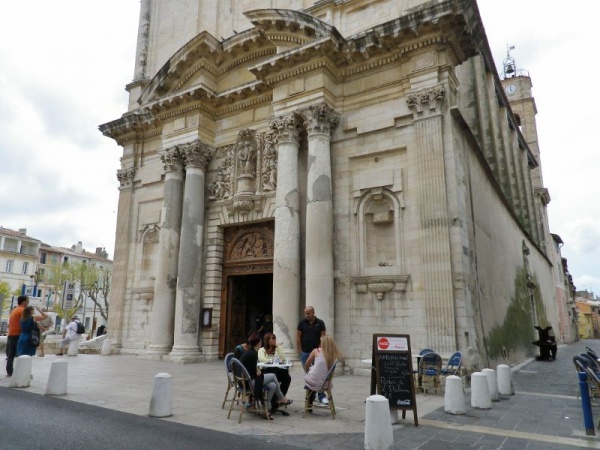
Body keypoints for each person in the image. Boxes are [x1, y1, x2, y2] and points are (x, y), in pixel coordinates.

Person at [239, 332, 292, 420]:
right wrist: (258, 372)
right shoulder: (253, 354)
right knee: (273, 376)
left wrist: (257, 372)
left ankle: (266, 408)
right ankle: (281, 398)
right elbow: (253, 372)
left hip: (247, 379)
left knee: (273, 385)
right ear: (258, 343)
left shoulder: (251, 352)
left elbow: (252, 369)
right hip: (248, 382)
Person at [296, 306, 328, 404]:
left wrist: (319, 351)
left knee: (319, 373)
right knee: (309, 374)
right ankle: (311, 396)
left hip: (316, 353)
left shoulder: (320, 323)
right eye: (305, 313)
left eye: (308, 313)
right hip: (305, 353)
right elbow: (298, 337)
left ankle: (321, 395)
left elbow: (323, 337)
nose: (307, 315)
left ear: (313, 312)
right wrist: (300, 352)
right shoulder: (302, 323)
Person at [304, 335, 342, 413]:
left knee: (312, 376)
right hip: (326, 383)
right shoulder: (334, 355)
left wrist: (308, 370)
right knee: (317, 375)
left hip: (314, 381)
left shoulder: (316, 351)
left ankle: (309, 405)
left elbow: (306, 365)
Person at [258, 332, 292, 414]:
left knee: (287, 377)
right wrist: (272, 360)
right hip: (265, 371)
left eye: (275, 338)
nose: (275, 340)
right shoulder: (262, 350)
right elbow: (262, 359)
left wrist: (279, 348)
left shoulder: (276, 349)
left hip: (275, 370)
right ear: (267, 340)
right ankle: (277, 401)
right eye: (273, 338)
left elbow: (283, 359)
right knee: (274, 375)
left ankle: (278, 399)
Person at [6, 295, 29, 377]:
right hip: (18, 334)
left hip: (11, 333)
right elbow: (26, 323)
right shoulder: (23, 310)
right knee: (22, 354)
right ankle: (22, 372)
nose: (28, 303)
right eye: (27, 301)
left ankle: (9, 371)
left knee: (11, 354)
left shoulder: (14, 310)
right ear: (24, 301)